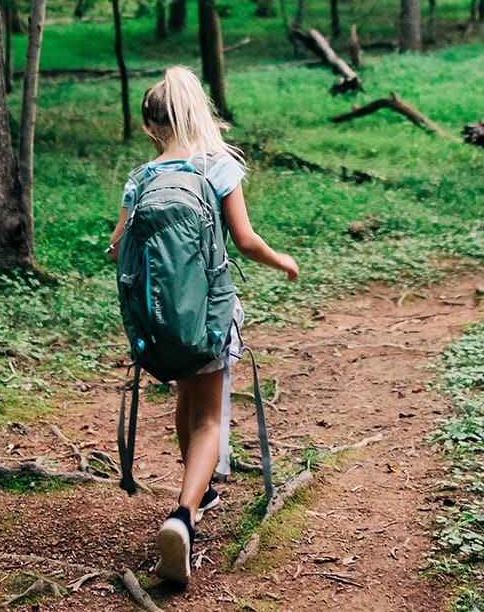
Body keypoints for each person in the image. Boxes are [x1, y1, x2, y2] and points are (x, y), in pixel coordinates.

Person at [106, 67, 299, 585]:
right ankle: (184, 514)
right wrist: (281, 260)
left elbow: (118, 249)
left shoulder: (141, 179)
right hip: (210, 317)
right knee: (211, 419)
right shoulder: (218, 167)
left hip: (160, 323)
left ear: (150, 126)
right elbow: (246, 240)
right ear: (197, 112)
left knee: (186, 404)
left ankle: (203, 491)